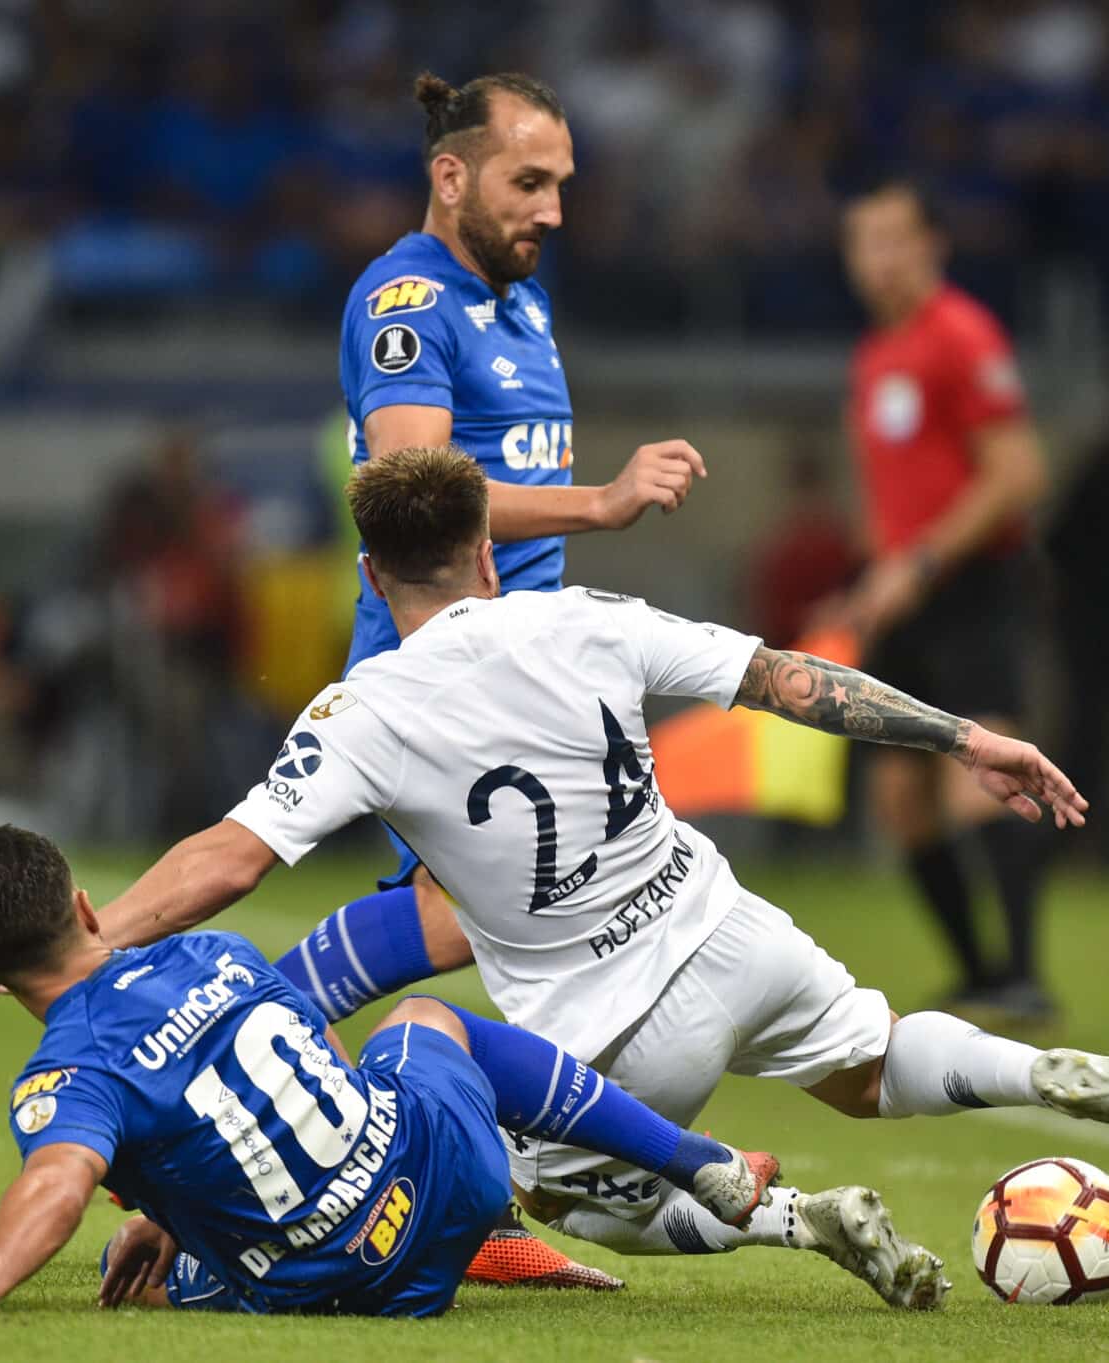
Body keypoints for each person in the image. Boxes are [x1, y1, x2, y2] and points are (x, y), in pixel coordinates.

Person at [0, 447, 1109, 1299]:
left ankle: (789, 1216)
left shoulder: (362, 710)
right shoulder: (594, 618)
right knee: (873, 1058)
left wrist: (90, 952)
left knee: (473, 1172)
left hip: (605, 1033)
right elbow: (792, 681)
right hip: (728, 922)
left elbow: (230, 857)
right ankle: (1028, 1073)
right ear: (490, 546)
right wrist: (967, 735)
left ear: (374, 573)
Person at [0, 825, 889, 1319]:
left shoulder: (63, 1079)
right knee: (419, 1019)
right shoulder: (217, 954)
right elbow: (306, 1078)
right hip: (447, 1181)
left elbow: (57, 1180)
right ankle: (690, 1158)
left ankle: (477, 1244)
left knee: (128, 1268)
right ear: (91, 909)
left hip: (340, 1282)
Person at [305, 68, 710, 1287]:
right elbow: (407, 484)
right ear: (450, 176)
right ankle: (238, 1059)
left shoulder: (517, 304)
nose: (552, 209)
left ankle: (456, 1176)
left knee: (523, 917)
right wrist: (599, 499)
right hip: (440, 661)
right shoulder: (406, 299)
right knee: (473, 916)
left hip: (525, 662)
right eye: (527, 182)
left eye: (561, 186)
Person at [832, 180, 1057, 1022]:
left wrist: (919, 563)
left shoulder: (962, 335)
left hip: (967, 587)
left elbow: (1020, 472)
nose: (879, 258)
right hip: (905, 591)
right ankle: (980, 974)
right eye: (864, 242)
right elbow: (893, 490)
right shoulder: (873, 357)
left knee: (979, 780)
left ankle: (1026, 977)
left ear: (934, 245)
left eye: (895, 239)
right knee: (898, 799)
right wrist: (870, 572)